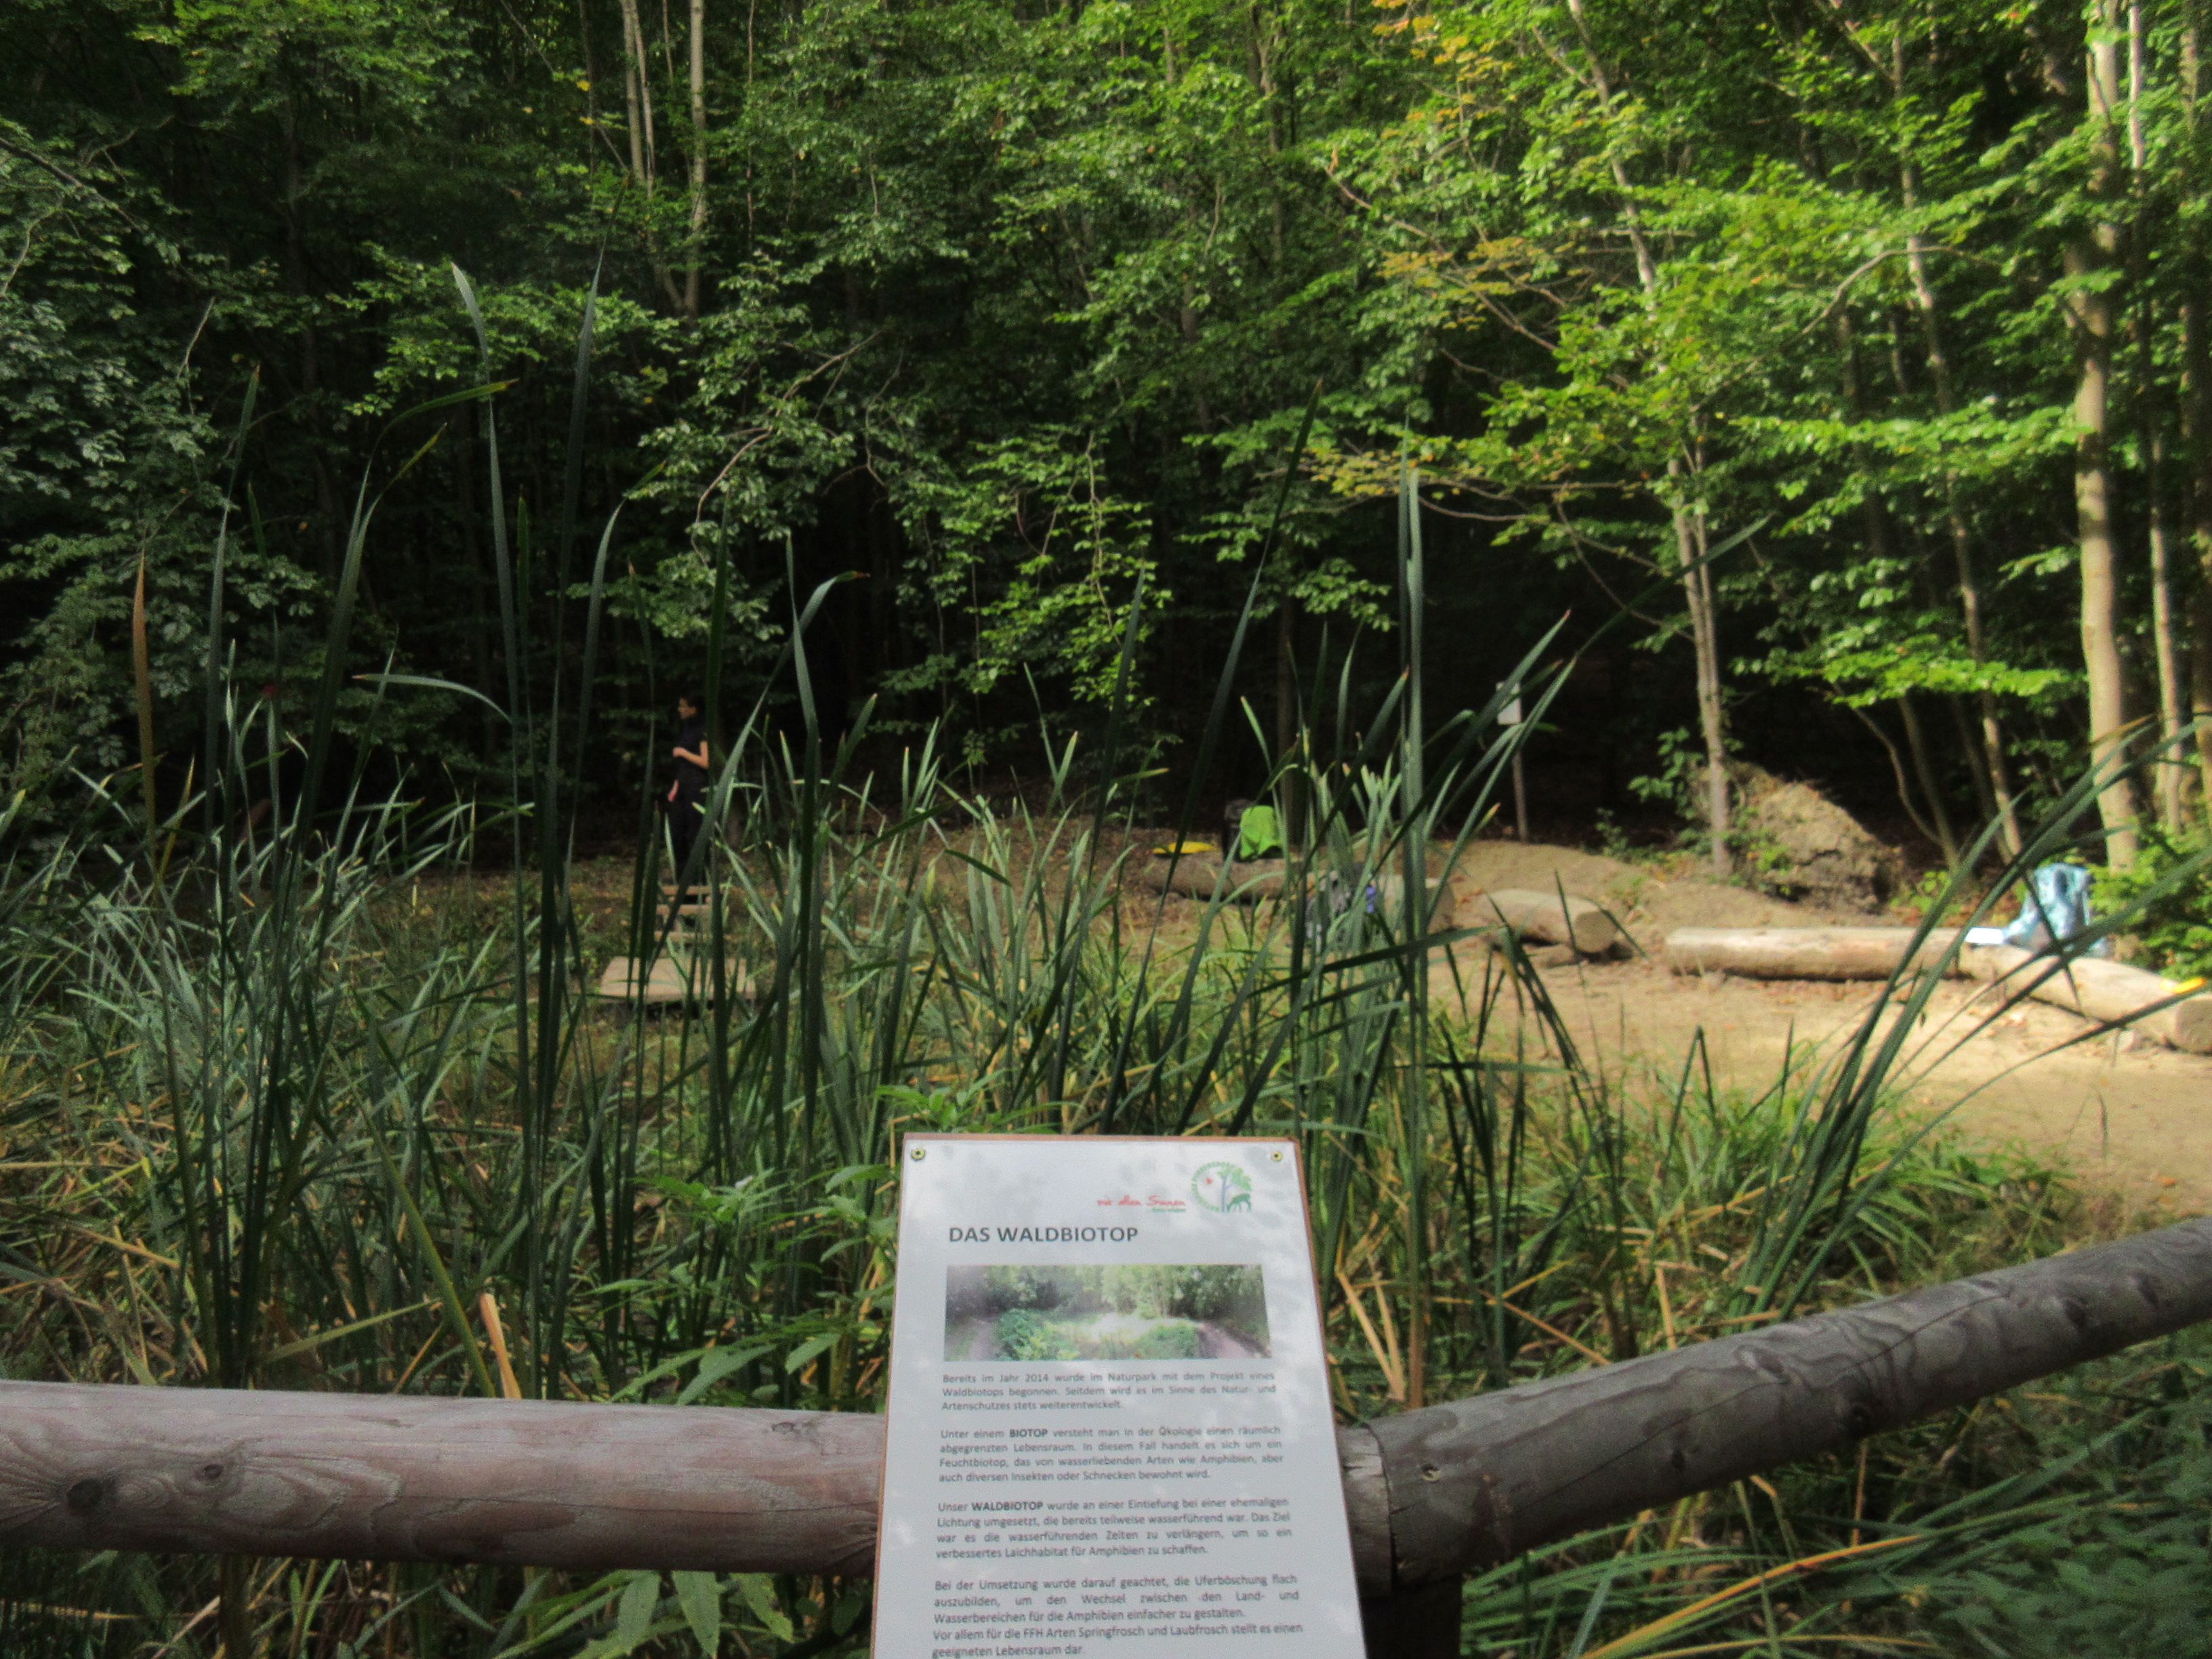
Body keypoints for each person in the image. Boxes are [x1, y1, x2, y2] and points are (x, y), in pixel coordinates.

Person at [664, 692, 710, 897]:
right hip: (683, 785)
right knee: (677, 833)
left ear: (694, 708)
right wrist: (675, 785)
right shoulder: (686, 728)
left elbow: (705, 762)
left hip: (697, 785)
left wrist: (682, 753)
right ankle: (682, 881)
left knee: (695, 832)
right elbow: (682, 766)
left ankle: (701, 881)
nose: (680, 709)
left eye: (683, 706)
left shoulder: (703, 729)